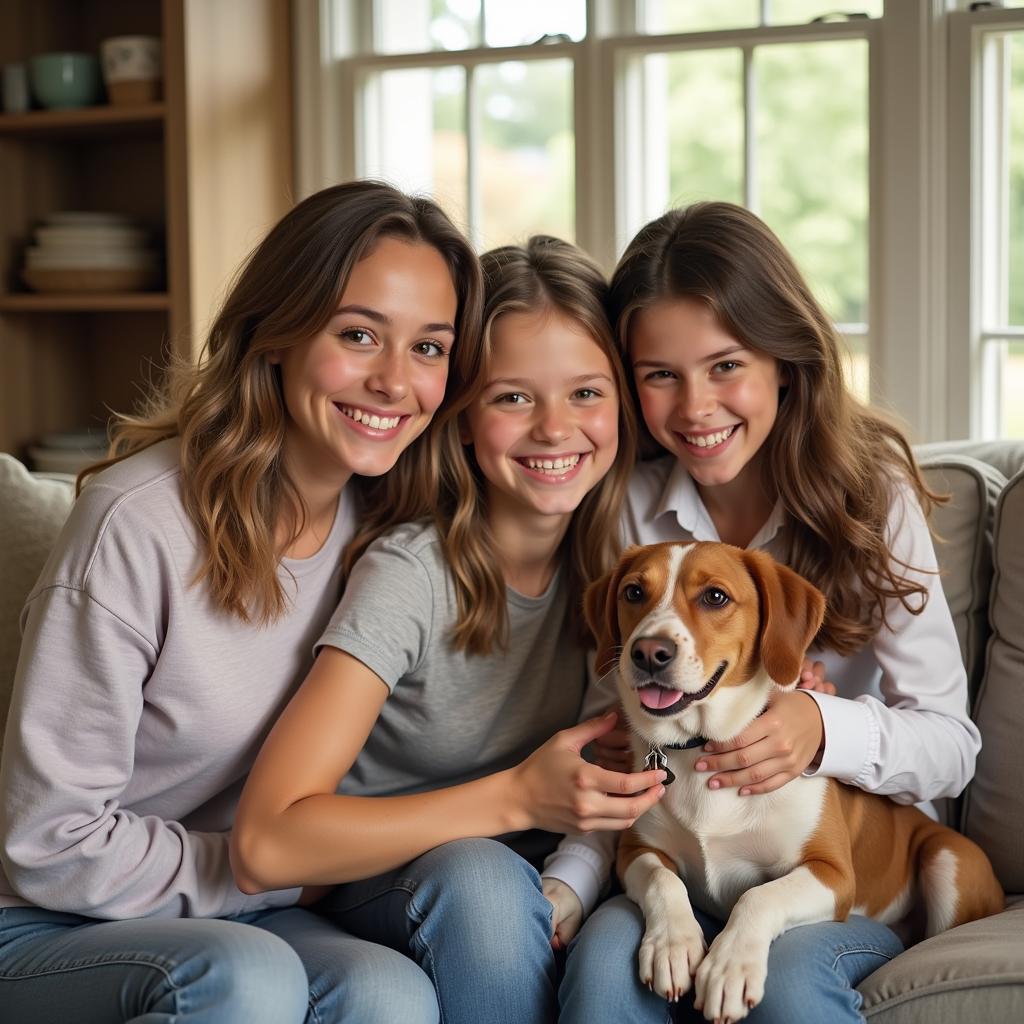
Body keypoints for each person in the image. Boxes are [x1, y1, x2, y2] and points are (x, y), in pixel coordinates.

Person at [0, 180, 485, 1024]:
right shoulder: (136, 523)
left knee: (390, 995)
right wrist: (276, 865)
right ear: (276, 334)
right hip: (48, 919)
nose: (394, 382)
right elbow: (49, 844)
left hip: (245, 902)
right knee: (245, 978)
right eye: (359, 335)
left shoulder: (390, 531)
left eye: (430, 348)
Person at [555, 201, 981, 1024]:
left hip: (830, 858)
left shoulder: (871, 497)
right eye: (659, 375)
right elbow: (606, 732)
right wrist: (570, 878)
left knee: (786, 984)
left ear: (786, 360)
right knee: (607, 973)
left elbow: (951, 746)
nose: (694, 407)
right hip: (678, 833)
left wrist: (820, 728)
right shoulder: (624, 512)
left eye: (725, 366)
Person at [230, 235, 667, 1024]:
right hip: (382, 880)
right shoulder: (412, 573)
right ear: (460, 418)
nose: (554, 429)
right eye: (512, 398)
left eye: (586, 393)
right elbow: (268, 843)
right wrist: (516, 800)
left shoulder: (625, 572)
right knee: (482, 878)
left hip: (549, 872)